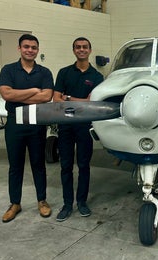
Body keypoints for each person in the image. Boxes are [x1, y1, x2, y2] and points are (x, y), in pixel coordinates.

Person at [0, 34, 54, 223]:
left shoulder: (44, 72)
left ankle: (42, 201)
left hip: (36, 123)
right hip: (15, 124)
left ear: (37, 50)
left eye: (33, 47)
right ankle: (15, 203)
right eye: (26, 46)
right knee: (15, 166)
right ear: (19, 48)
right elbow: (6, 94)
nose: (30, 50)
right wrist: (32, 91)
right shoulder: (8, 70)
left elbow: (46, 97)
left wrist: (17, 95)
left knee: (38, 164)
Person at [53, 37, 104, 222]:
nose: (81, 50)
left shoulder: (97, 77)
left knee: (84, 166)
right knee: (65, 166)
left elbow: (94, 103)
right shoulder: (64, 73)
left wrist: (68, 98)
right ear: (73, 50)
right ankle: (67, 205)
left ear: (90, 50)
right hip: (65, 125)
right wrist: (80, 101)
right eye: (78, 47)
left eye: (85, 47)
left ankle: (82, 202)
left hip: (85, 127)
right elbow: (55, 99)